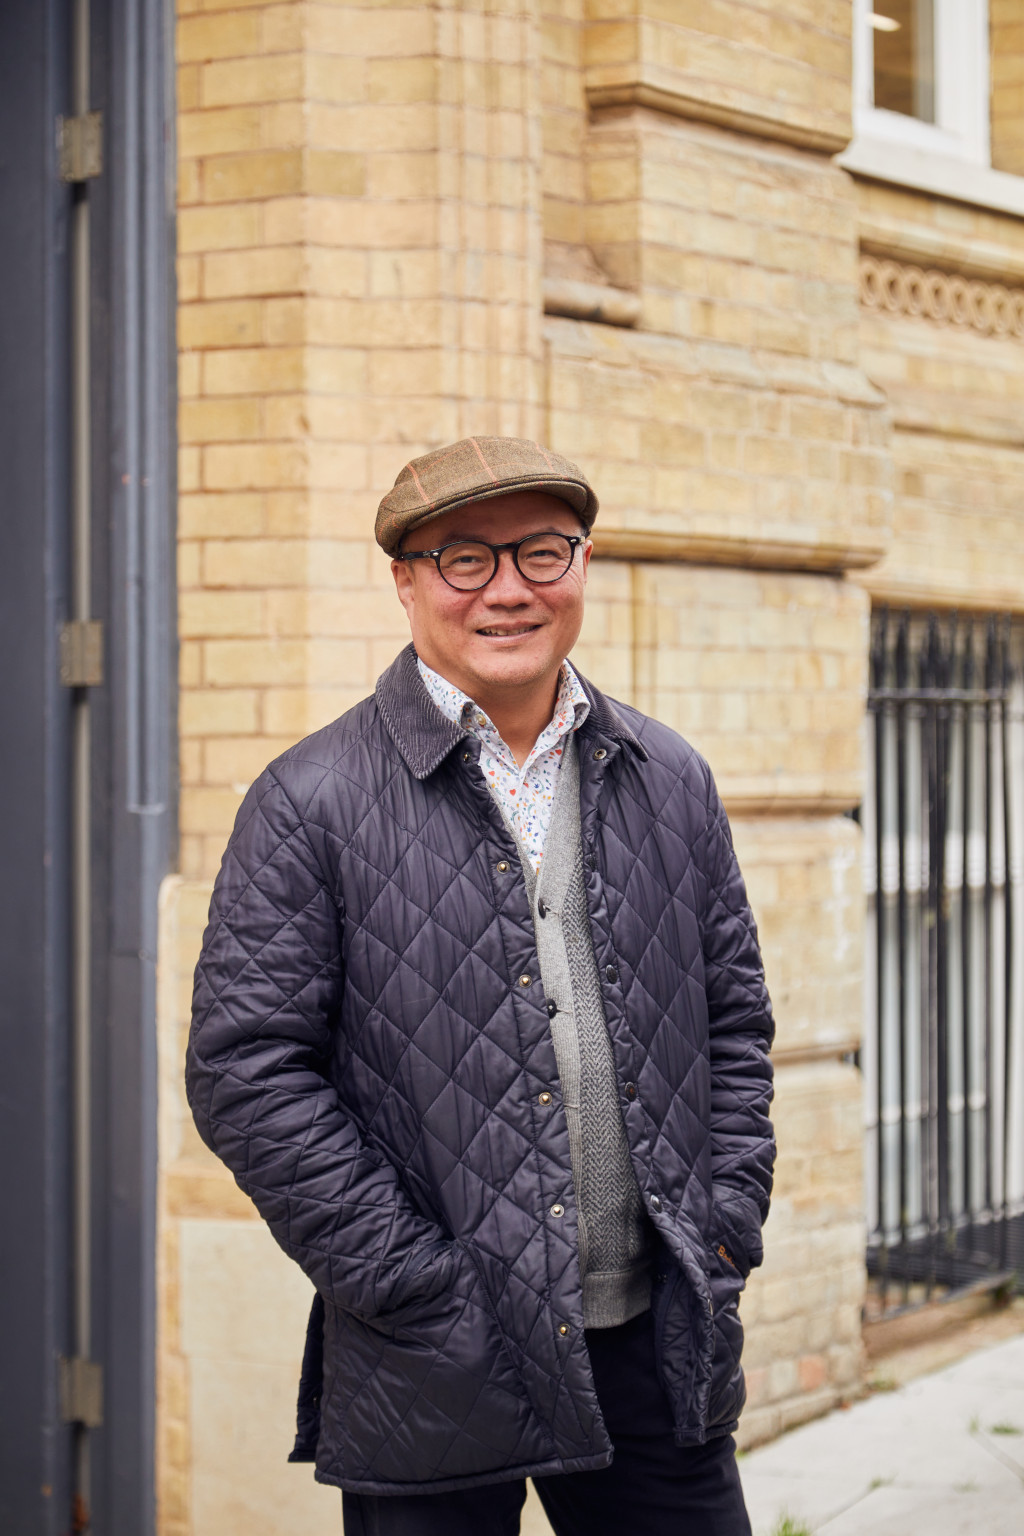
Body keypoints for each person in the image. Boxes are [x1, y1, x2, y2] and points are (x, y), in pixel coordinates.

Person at [187, 435, 775, 1536]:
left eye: (540, 552)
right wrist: (412, 1288)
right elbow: (245, 1074)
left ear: (582, 564)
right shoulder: (308, 799)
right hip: (433, 1359)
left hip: (655, 1338)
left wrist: (724, 1222)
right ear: (405, 579)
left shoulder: (670, 777)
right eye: (463, 557)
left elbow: (733, 1023)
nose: (508, 589)